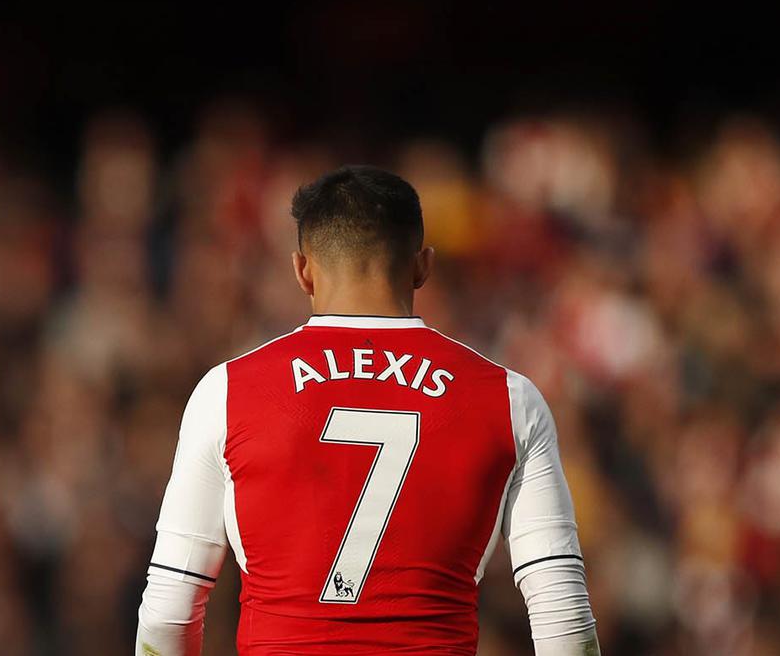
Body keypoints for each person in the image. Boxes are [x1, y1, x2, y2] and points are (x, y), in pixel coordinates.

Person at [134, 165, 600, 655]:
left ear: (302, 269)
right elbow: (561, 613)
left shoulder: (228, 392)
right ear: (422, 266)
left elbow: (169, 610)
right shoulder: (508, 398)